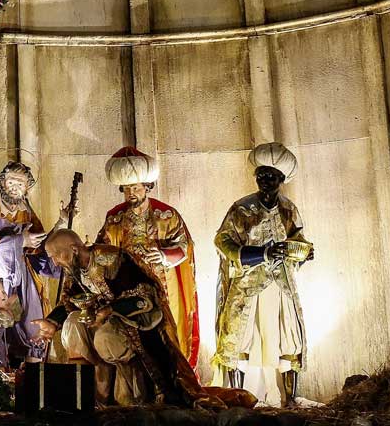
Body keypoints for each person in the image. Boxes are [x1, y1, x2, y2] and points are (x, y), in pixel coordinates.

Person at [35, 230, 209, 406]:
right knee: (73, 324)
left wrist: (110, 310)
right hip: (100, 324)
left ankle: (133, 395)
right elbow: (70, 301)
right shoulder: (74, 270)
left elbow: (146, 295)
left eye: (55, 256)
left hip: (134, 324)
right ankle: (90, 395)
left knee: (106, 337)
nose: (55, 263)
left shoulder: (114, 260)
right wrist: (52, 322)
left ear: (73, 249)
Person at [212, 143, 313, 407]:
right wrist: (261, 254)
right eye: (261, 175)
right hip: (247, 285)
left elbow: (297, 239)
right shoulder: (241, 209)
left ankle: (288, 398)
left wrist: (303, 252)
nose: (265, 180)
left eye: (271, 176)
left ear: (281, 179)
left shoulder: (289, 209)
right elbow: (223, 242)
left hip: (281, 285)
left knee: (288, 337)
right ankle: (237, 397)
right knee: (238, 338)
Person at [96, 147, 199, 368]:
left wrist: (163, 255)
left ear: (146, 187)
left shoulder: (166, 215)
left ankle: (174, 372)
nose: (131, 193)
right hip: (127, 282)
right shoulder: (114, 217)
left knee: (165, 328)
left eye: (135, 188)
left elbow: (184, 245)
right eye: (126, 189)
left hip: (160, 281)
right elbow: (102, 248)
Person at [0, 162, 66, 364]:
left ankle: (33, 369)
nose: (15, 187)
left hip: (21, 268)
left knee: (33, 316)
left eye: (20, 183)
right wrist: (19, 240)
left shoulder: (25, 208)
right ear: (2, 183)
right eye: (11, 182)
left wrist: (61, 224)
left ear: (27, 187)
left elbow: (40, 241)